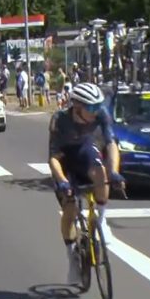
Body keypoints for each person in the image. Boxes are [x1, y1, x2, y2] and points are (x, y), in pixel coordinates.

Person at [47, 83, 124, 285]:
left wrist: (114, 171)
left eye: (98, 106)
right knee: (70, 210)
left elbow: (111, 144)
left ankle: (101, 221)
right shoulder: (60, 119)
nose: (96, 111)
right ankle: (72, 257)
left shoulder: (101, 113)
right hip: (63, 158)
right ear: (77, 108)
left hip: (84, 150)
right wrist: (63, 182)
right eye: (91, 108)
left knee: (101, 173)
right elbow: (53, 158)